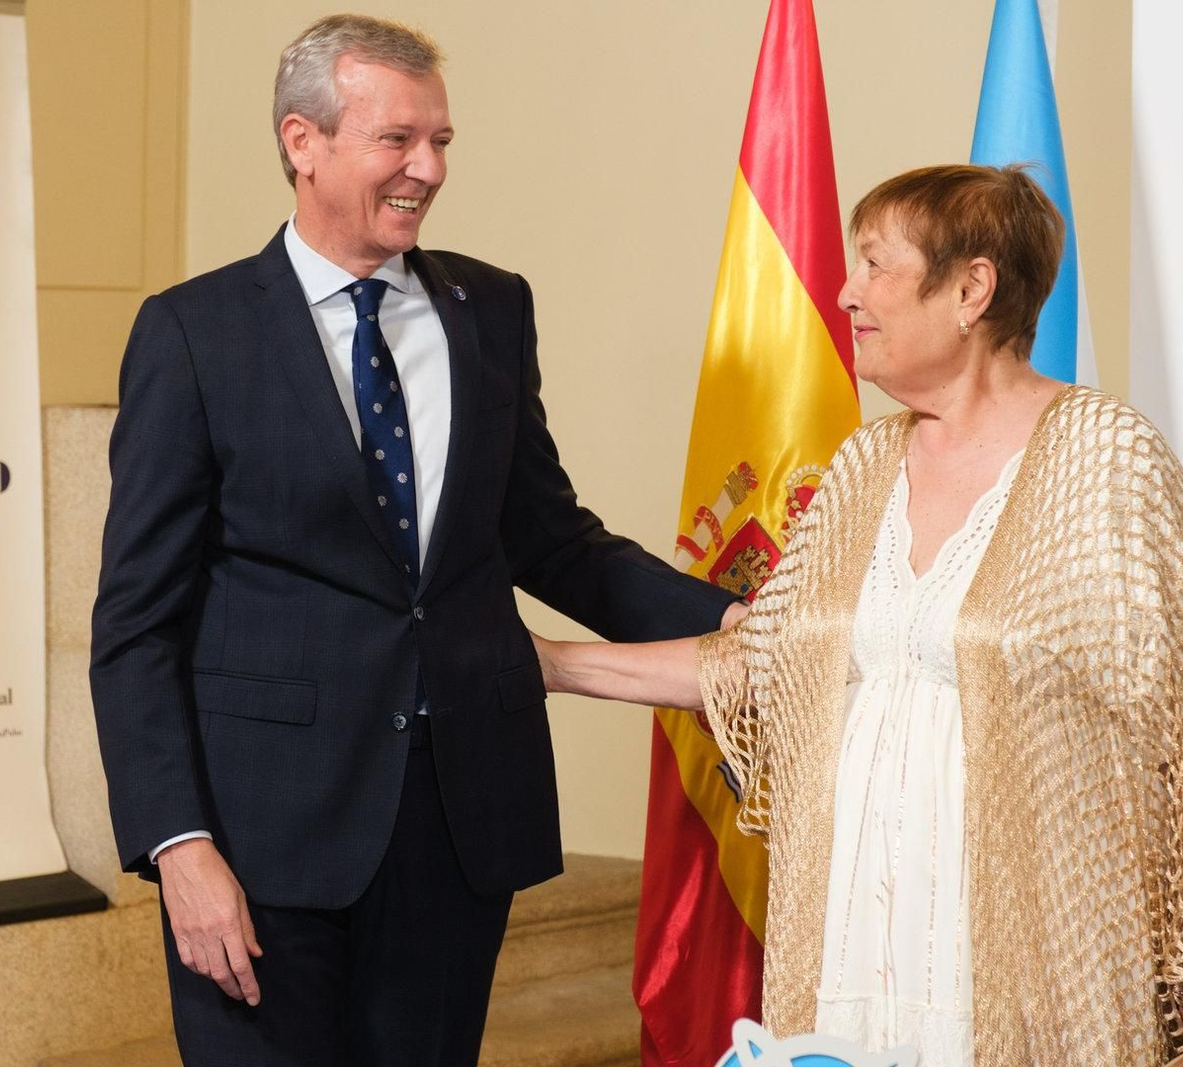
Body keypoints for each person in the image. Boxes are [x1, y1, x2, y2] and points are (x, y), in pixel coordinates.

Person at [88, 14, 740, 1067]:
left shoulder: (490, 308)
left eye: (440, 140)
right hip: (262, 837)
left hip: (456, 823)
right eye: (398, 140)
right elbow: (134, 624)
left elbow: (551, 539)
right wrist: (179, 845)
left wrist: (738, 618)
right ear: (303, 141)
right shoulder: (193, 332)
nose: (427, 168)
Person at [532, 165, 1183, 1066]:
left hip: (1046, 976)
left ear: (971, 288)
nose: (847, 292)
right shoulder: (861, 468)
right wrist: (551, 663)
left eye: (876, 265)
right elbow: (754, 665)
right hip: (852, 961)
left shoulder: (1111, 462)